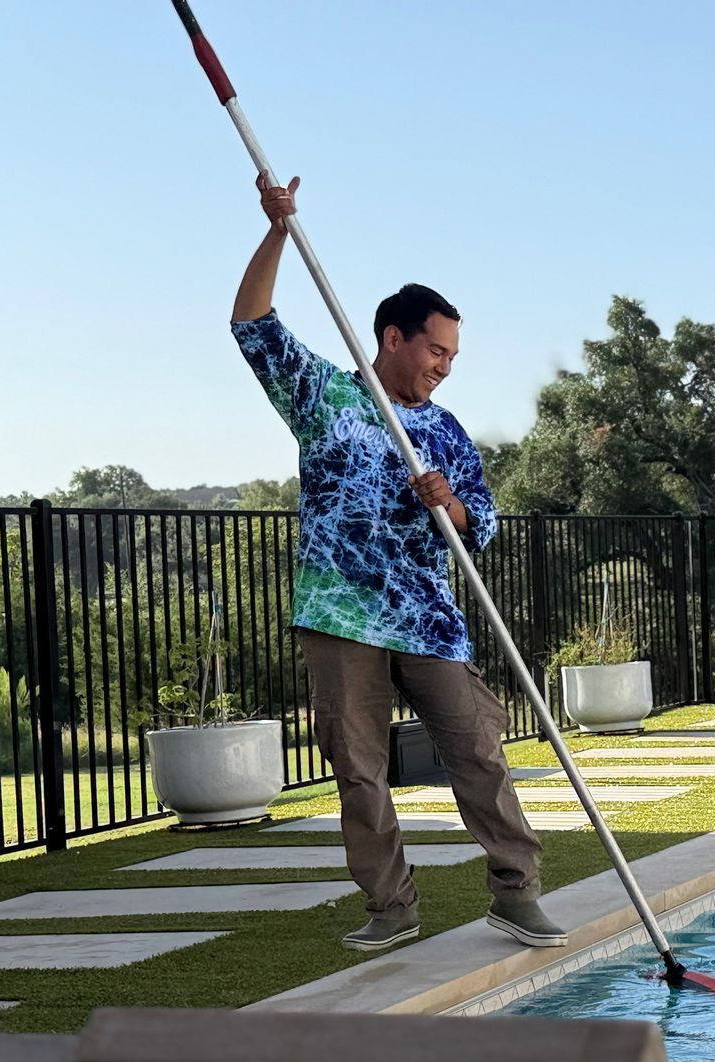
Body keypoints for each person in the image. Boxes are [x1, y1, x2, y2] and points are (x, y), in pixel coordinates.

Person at [229, 173, 567, 953]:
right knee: (359, 769)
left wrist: (445, 503)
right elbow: (251, 324)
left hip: (425, 614)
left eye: (453, 355)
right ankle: (393, 907)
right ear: (393, 338)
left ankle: (516, 893)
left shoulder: (444, 430)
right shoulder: (325, 398)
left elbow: (481, 521)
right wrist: (277, 230)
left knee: (479, 749)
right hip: (340, 611)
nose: (445, 365)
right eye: (436, 350)